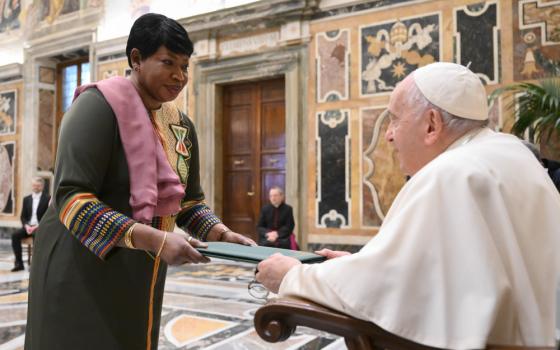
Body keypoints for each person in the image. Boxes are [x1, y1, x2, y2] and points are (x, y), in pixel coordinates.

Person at [256, 62, 560, 349]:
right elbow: (457, 279)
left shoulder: (451, 173)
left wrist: (291, 276)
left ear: (431, 125)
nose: (387, 135)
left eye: (394, 119)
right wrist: (357, 264)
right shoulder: (508, 152)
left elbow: (383, 293)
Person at [25, 13, 254, 350]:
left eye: (185, 66)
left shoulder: (180, 125)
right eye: (168, 62)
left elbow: (188, 202)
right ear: (136, 59)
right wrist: (154, 240)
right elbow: (72, 200)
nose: (179, 76)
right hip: (80, 263)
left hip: (139, 267)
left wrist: (220, 233)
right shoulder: (96, 107)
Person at [10, 177, 49, 272]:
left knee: (37, 237)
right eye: (34, 185)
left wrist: (38, 226)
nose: (35, 187)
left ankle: (35, 265)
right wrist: (26, 226)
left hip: (40, 227)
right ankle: (19, 264)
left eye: (38, 185)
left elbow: (48, 217)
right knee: (14, 235)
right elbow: (23, 217)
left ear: (42, 186)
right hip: (28, 227)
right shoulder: (26, 199)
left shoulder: (48, 199)